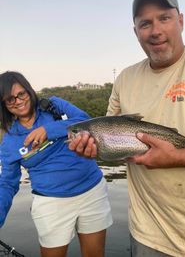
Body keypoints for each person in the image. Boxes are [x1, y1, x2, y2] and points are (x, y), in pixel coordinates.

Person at [69, 0, 185, 256]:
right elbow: (113, 140)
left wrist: (179, 156)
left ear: (181, 20)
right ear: (135, 32)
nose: (155, 30)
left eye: (164, 18)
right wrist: (93, 151)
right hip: (146, 235)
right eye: (145, 23)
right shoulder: (125, 79)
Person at [0, 71, 113, 257]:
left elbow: (86, 121)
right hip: (50, 203)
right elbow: (7, 183)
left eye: (21, 94)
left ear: (29, 91)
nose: (18, 101)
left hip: (92, 191)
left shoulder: (54, 105)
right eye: (10, 99)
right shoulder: (9, 142)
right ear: (4, 104)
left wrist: (49, 129)